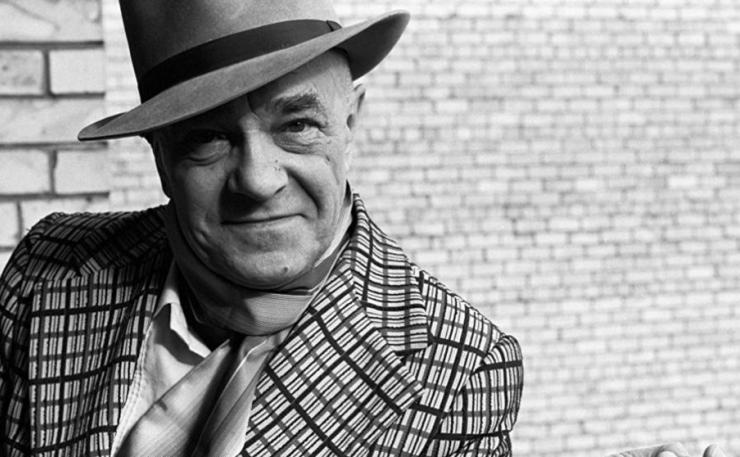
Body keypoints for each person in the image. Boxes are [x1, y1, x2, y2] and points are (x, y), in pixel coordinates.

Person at [0, 1, 524, 456]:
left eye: (297, 125)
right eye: (207, 137)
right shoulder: (49, 264)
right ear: (160, 156)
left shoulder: (462, 371)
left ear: (350, 122)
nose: (257, 180)